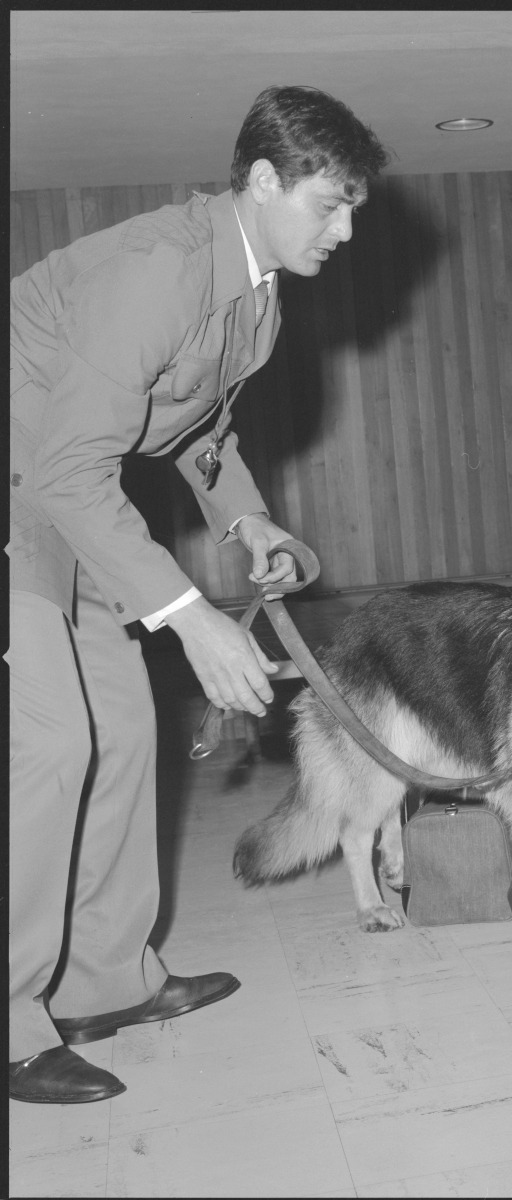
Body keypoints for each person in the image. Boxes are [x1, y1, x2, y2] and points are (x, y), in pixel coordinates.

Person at [8, 85, 388, 1103]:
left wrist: (245, 519)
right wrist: (190, 619)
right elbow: (67, 467)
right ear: (264, 182)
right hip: (32, 493)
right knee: (50, 744)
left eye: (354, 209)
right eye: (329, 205)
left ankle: (102, 984)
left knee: (125, 731)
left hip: (58, 497)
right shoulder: (156, 273)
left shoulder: (256, 294)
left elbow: (189, 429)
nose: (345, 231)